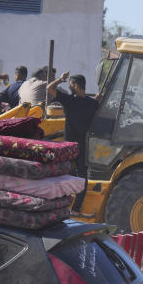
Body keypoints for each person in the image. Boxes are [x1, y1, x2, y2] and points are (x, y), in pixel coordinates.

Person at [47, 71, 99, 211]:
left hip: (68, 146)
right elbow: (92, 104)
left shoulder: (69, 100)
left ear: (75, 85)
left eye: (70, 84)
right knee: (82, 176)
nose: (69, 86)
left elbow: (49, 88)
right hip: (83, 145)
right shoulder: (93, 104)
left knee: (63, 175)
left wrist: (60, 79)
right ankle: (76, 207)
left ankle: (60, 205)